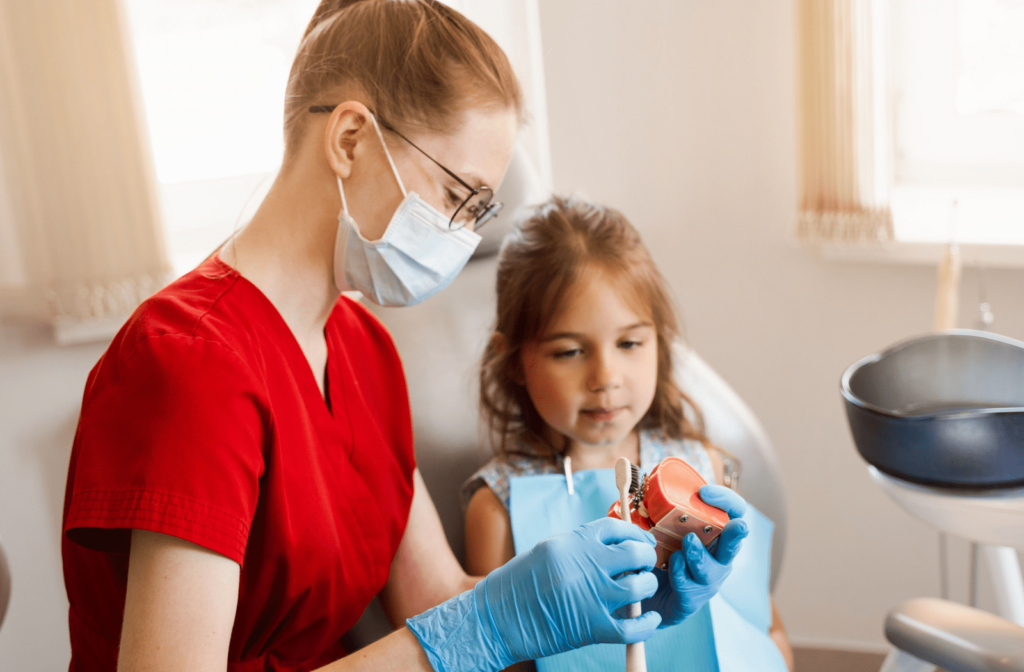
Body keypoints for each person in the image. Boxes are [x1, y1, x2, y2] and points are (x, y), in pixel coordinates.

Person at [60, 2, 749, 671]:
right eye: (457, 197)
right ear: (350, 139)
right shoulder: (189, 364)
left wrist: (613, 592)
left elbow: (441, 602)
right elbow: (463, 632)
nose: (464, 235)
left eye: (480, 211)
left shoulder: (363, 348)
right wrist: (492, 622)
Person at [463, 196, 795, 671]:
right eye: (569, 351)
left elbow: (764, 627)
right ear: (515, 360)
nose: (606, 376)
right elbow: (496, 659)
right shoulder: (499, 504)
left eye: (629, 343)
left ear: (660, 342)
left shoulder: (698, 472)